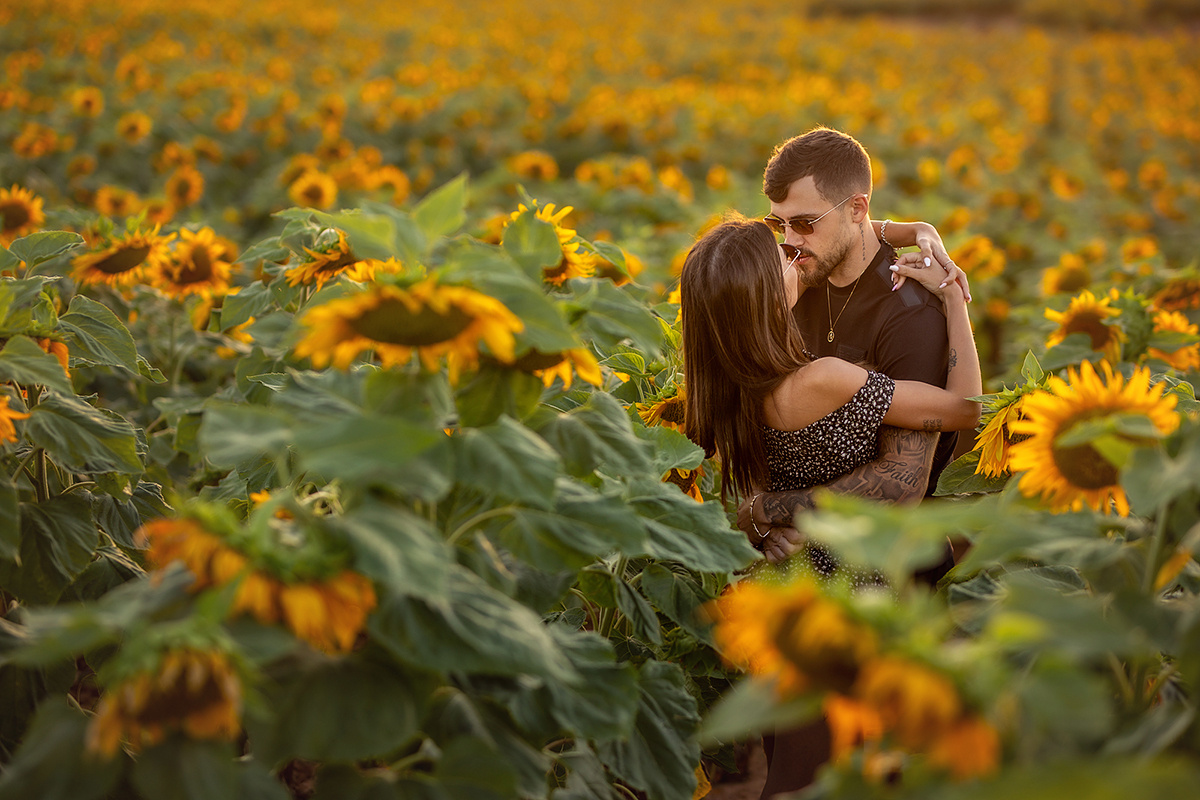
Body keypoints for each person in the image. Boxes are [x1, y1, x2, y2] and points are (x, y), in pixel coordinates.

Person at [679, 215, 981, 799]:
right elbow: (963, 409)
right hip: (851, 588)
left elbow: (839, 223)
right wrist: (952, 298)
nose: (797, 257)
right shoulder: (822, 380)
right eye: (784, 261)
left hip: (786, 593)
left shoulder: (720, 385)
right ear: (767, 297)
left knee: (796, 762)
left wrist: (908, 228)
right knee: (839, 773)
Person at [740, 127, 969, 571]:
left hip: (886, 571)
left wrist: (766, 511)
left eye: (805, 223)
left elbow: (901, 483)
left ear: (857, 208)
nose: (789, 240)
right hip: (797, 560)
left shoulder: (908, 311)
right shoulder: (798, 279)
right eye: (777, 223)